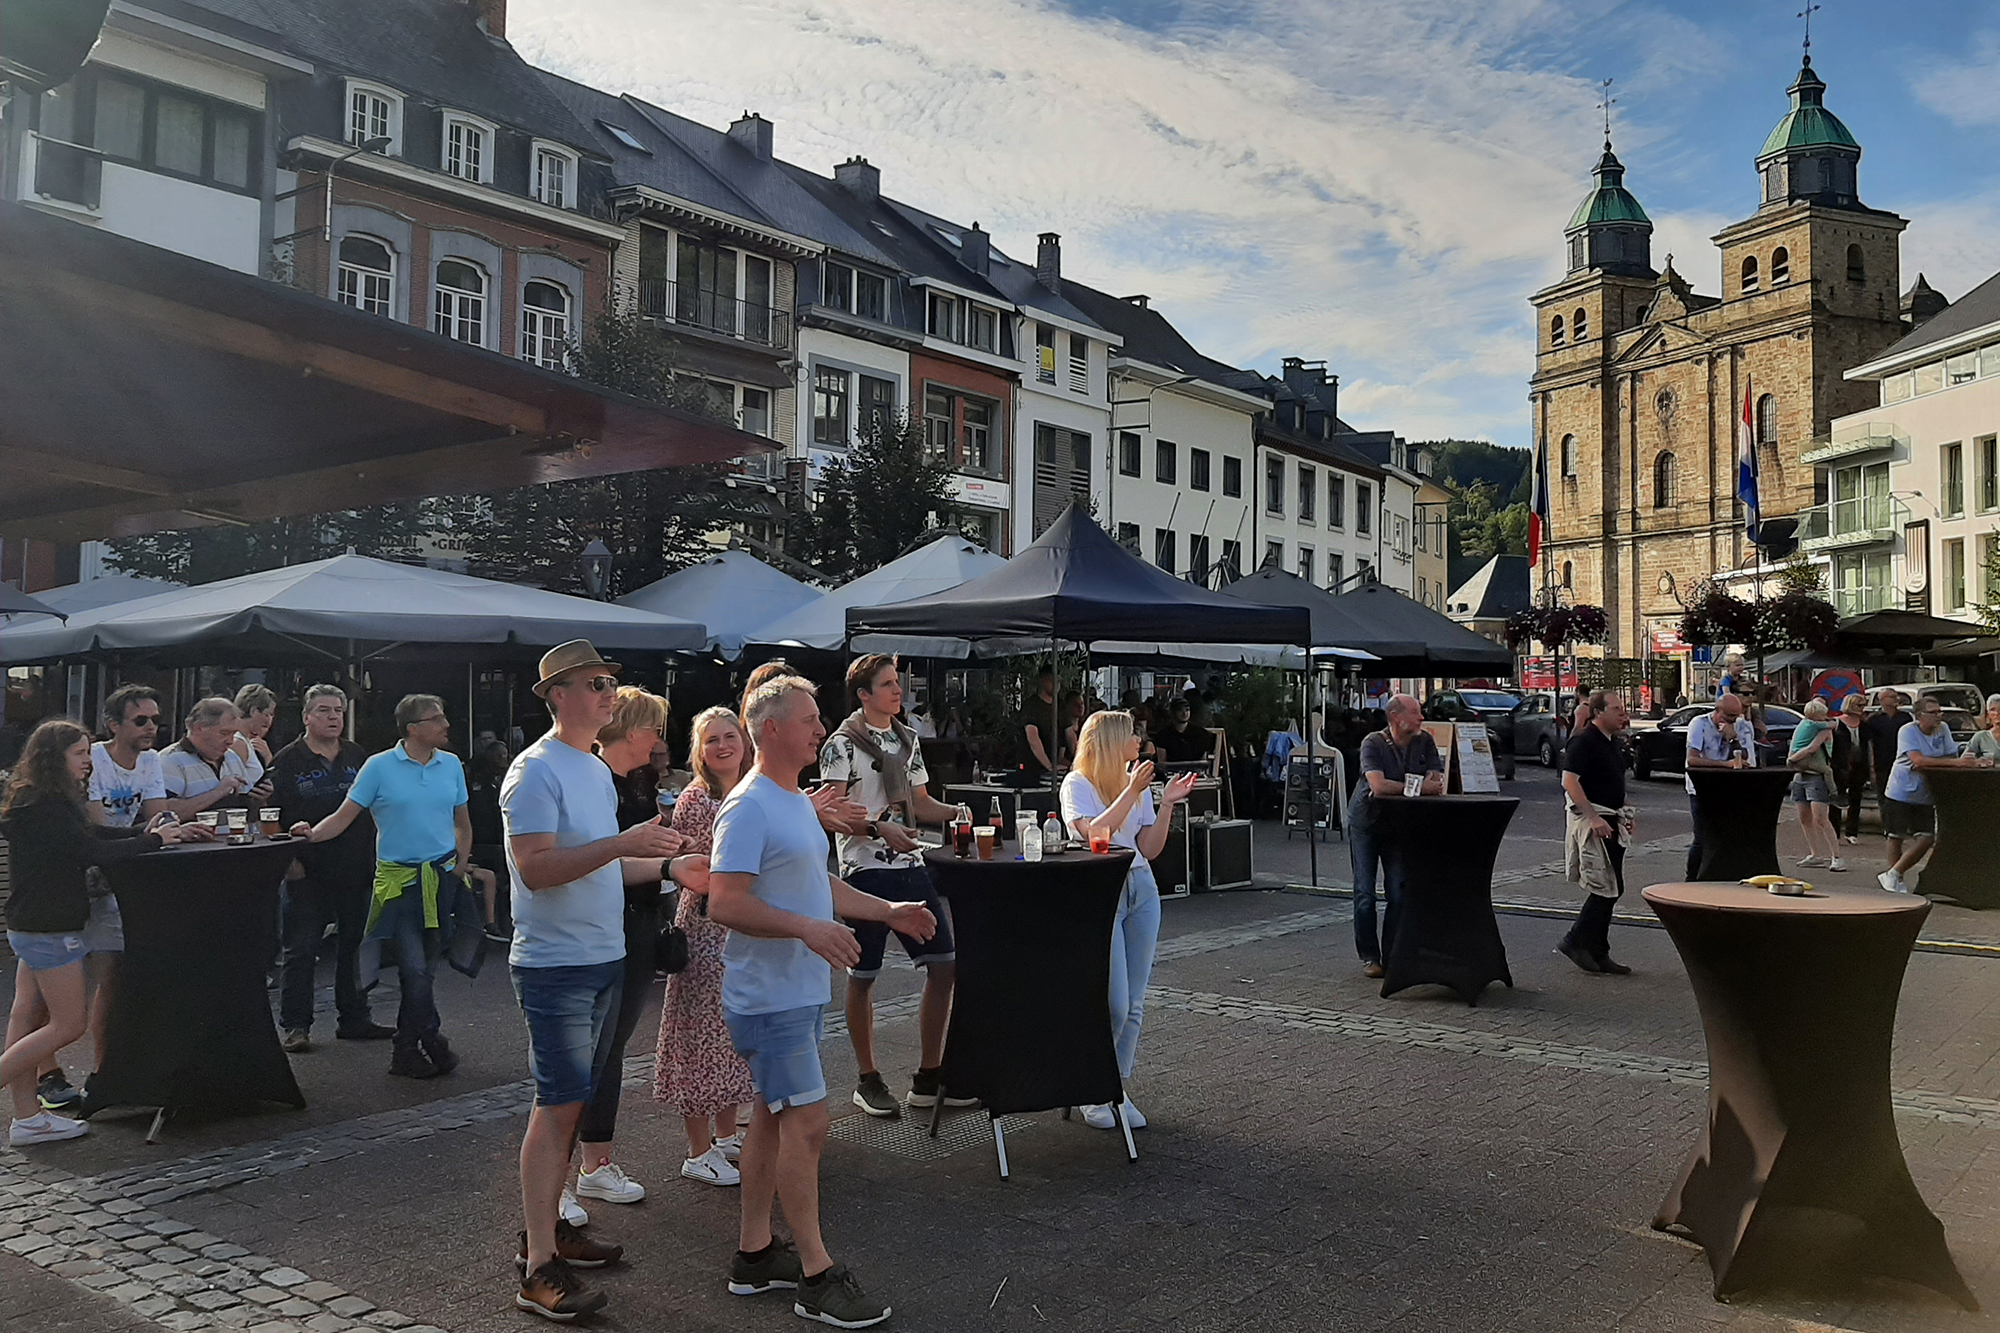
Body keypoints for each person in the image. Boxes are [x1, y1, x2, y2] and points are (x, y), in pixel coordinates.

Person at [707, 675, 935, 1329]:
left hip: (792, 995)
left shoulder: (789, 801)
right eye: (808, 718)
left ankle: (754, 1254)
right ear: (771, 729)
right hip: (768, 1000)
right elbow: (724, 900)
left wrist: (887, 909)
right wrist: (806, 928)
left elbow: (820, 882)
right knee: (807, 1123)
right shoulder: (749, 806)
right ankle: (815, 1273)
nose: (819, 727)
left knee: (774, 1118)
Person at [501, 642, 691, 1320]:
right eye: (595, 682)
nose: (610, 691)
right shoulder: (533, 771)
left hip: (603, 954)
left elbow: (601, 867)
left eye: (611, 681)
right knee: (557, 1107)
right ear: (557, 694)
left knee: (570, 1104)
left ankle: (549, 1231)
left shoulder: (587, 767)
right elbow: (537, 869)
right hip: (556, 963)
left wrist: (671, 867)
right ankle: (539, 1266)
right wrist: (624, 844)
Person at [2, 720, 209, 1144]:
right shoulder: (48, 806)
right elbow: (93, 851)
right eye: (80, 754)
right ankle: (25, 1114)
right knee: (67, 1025)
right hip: (50, 925)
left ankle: (27, 1117)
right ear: (54, 757)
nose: (88, 761)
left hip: (31, 922)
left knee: (26, 1019)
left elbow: (89, 835)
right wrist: (155, 842)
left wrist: (147, 832)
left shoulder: (38, 799)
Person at [291, 694, 470, 1079]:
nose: (445, 725)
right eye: (436, 718)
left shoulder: (451, 765)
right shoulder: (378, 767)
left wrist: (459, 868)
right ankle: (416, 1044)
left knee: (426, 969)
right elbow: (342, 817)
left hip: (439, 878)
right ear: (413, 729)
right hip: (397, 883)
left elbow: (462, 822)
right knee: (414, 969)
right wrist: (309, 836)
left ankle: (420, 1044)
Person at [817, 655, 965, 1119]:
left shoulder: (906, 738)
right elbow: (833, 811)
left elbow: (920, 803)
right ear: (863, 695)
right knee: (864, 975)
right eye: (887, 685)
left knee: (944, 966)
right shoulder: (840, 745)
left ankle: (928, 1075)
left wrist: (961, 813)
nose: (898, 691)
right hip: (864, 868)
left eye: (897, 683)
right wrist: (881, 828)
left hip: (909, 860)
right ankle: (868, 1077)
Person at [1062, 710, 1198, 1129]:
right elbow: (1093, 835)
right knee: (1114, 1002)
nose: (1139, 742)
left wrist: (1167, 806)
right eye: (1131, 736)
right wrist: (1131, 791)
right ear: (1109, 742)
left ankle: (1115, 1088)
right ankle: (1091, 1086)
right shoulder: (1078, 784)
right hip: (1101, 889)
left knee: (1135, 1003)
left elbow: (1149, 848)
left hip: (1141, 886)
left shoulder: (1135, 782)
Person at [571, 685, 677, 1210]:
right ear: (634, 730)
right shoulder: (593, 781)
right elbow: (594, 862)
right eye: (654, 728)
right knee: (581, 1054)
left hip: (638, 919)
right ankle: (558, 1176)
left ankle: (595, 1163)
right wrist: (668, 865)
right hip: (598, 925)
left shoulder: (640, 779)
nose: (659, 741)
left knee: (611, 1048)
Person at [655, 706, 757, 1187]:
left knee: (730, 1035)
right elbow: (705, 869)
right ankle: (697, 1151)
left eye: (729, 735)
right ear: (698, 750)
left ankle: (724, 1134)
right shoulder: (697, 799)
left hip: (737, 926)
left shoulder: (748, 789)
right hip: (706, 926)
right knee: (699, 1039)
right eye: (711, 739)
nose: (722, 745)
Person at [268, 685, 392, 1052]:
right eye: (324, 710)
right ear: (306, 717)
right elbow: (269, 815)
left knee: (355, 946)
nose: (334, 717)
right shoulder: (287, 761)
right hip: (309, 872)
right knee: (302, 950)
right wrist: (289, 863)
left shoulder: (357, 755)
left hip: (355, 867)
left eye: (338, 710)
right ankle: (296, 1026)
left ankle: (354, 1018)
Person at [1344, 694, 1445, 978]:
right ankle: (1370, 956)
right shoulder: (1372, 743)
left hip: (1399, 824)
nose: (1421, 718)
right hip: (1366, 822)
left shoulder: (1424, 741)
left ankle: (1393, 954)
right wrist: (1419, 787)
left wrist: (1414, 785)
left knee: (1399, 891)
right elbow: (1377, 786)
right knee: (1365, 891)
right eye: (1415, 713)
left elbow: (1436, 780)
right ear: (1396, 717)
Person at [1879, 696, 1995, 894]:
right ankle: (1895, 879)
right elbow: (1918, 760)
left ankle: (1894, 872)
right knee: (1896, 836)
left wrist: (1950, 762)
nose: (1939, 715)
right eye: (1933, 712)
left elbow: (1949, 755)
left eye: (1939, 711)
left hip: (1926, 793)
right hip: (1901, 790)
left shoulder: (1943, 730)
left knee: (1926, 837)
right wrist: (1953, 763)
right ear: (1919, 716)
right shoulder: (1908, 731)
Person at [1559, 692, 1636, 975]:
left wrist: (1625, 812)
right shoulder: (1584, 740)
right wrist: (1592, 817)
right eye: (1616, 709)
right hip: (1597, 821)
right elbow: (1569, 780)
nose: (1622, 713)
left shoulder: (1612, 743)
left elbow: (1614, 783)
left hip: (1611, 818)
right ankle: (1576, 940)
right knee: (1606, 886)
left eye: (1622, 708)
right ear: (1598, 713)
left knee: (1611, 886)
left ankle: (1596, 950)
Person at [1682, 692, 1757, 880]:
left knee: (1726, 835)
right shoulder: (1699, 724)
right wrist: (1726, 764)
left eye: (1736, 716)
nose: (1732, 720)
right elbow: (1692, 760)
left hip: (1726, 788)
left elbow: (1746, 757)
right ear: (1717, 711)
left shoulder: (1737, 726)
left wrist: (1733, 739)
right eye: (1728, 716)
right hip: (1701, 787)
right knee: (1702, 837)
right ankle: (1692, 878)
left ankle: (1718, 874)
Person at [159, 697, 265, 815]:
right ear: (198, 728)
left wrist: (260, 797)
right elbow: (163, 813)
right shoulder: (170, 760)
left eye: (234, 734)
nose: (230, 741)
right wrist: (218, 792)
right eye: (223, 733)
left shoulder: (232, 757)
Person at [1786, 699, 1843, 872]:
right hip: (1800, 774)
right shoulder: (1807, 724)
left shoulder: (1823, 729)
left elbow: (1812, 748)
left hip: (1815, 775)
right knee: (1804, 817)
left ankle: (1837, 857)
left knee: (1820, 818)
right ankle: (1815, 854)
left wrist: (1792, 759)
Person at [466, 739, 513, 943]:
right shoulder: (480, 786)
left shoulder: (507, 780)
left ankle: (501, 923)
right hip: (479, 846)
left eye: (505, 755)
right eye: (500, 755)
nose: (504, 759)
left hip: (498, 843)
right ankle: (491, 924)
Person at [1836, 694, 1870, 844]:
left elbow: (1869, 746)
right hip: (1841, 765)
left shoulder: (1864, 725)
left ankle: (1852, 832)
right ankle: (1834, 832)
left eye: (1863, 705)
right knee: (1837, 798)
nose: (1862, 709)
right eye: (1859, 705)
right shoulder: (1837, 723)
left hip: (1859, 765)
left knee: (1856, 798)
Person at [229, 683, 277, 782]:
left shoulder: (246, 741)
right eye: (267, 714)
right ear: (253, 711)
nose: (269, 720)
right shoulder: (238, 743)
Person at [1151, 696, 1212, 766]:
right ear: (1172, 712)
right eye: (1180, 710)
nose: (1184, 713)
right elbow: (1162, 762)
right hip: (1171, 773)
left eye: (1187, 710)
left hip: (1196, 772)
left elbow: (1203, 761)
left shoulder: (1200, 733)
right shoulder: (1163, 734)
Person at [1970, 695, 2000, 763]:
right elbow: (1965, 760)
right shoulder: (1980, 737)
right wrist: (1978, 762)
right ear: (1988, 714)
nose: (1997, 713)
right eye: (1992, 710)